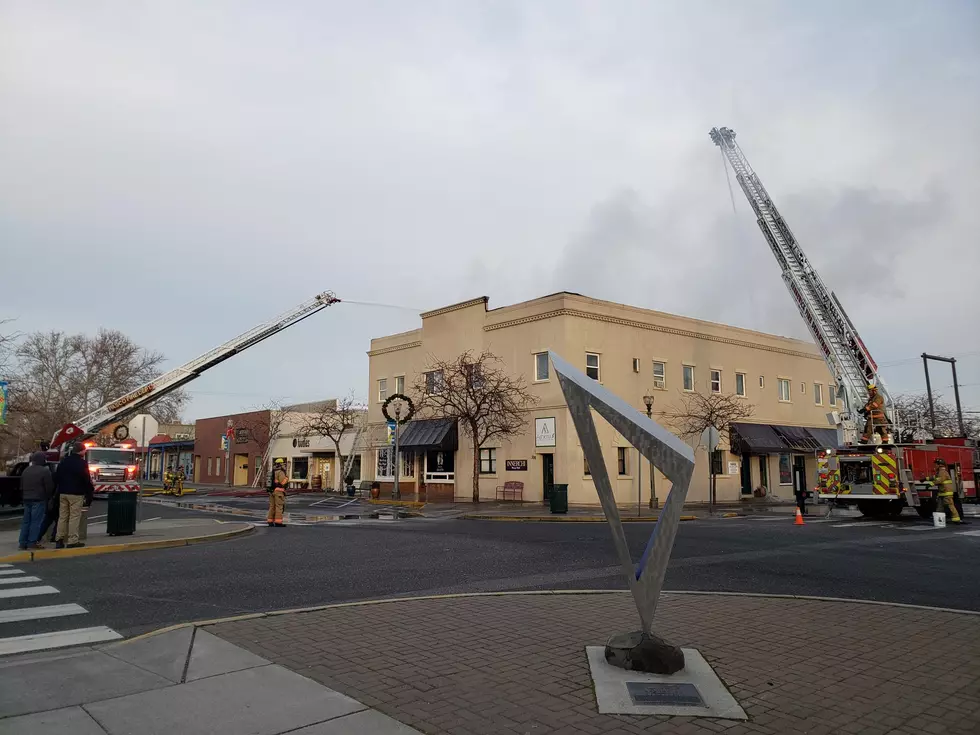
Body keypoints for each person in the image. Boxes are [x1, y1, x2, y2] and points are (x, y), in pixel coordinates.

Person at [54, 442, 95, 548]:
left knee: (62, 516)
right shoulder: (82, 463)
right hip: (76, 493)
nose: (85, 451)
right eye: (84, 450)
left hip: (63, 492)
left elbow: (57, 476)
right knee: (74, 517)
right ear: (81, 451)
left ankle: (59, 539)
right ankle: (72, 540)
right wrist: (89, 493)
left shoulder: (64, 461)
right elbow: (86, 478)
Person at [18, 452, 54, 550]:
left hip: (27, 498)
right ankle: (32, 542)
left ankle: (22, 543)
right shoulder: (44, 471)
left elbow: (21, 486)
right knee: (36, 522)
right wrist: (48, 498)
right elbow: (49, 487)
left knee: (26, 521)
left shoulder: (26, 470)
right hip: (39, 499)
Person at [931, 458, 962, 524]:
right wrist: (925, 479)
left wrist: (931, 484)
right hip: (942, 493)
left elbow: (939, 480)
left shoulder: (942, 472)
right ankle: (939, 520)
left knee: (950, 506)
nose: (935, 466)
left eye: (936, 464)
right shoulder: (940, 472)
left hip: (946, 493)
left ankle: (956, 519)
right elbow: (935, 477)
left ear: (939, 465)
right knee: (939, 508)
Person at [267, 459, 288, 527]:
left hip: (271, 491)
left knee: (272, 506)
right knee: (279, 507)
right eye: (283, 463)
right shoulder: (280, 472)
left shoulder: (273, 471)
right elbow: (282, 483)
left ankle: (270, 521)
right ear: (281, 464)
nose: (284, 465)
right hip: (278, 492)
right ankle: (278, 522)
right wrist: (286, 478)